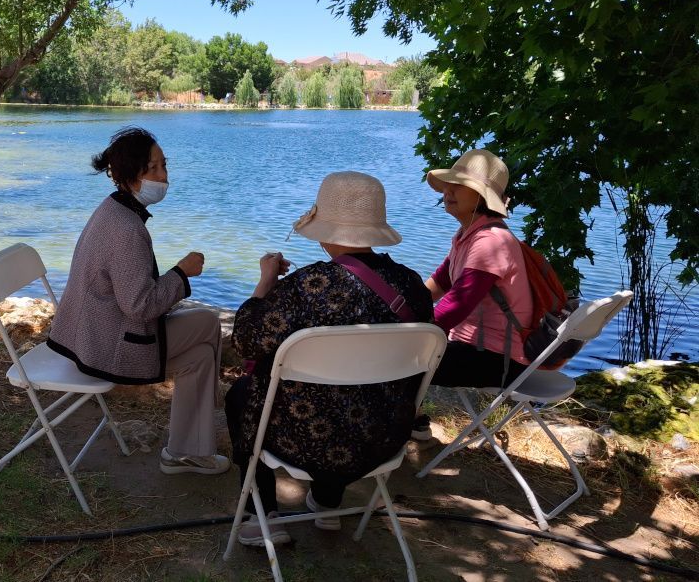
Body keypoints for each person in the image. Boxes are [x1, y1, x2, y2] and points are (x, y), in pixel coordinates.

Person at [225, 172, 433, 547]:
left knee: (242, 393)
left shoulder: (306, 287)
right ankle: (327, 499)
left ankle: (261, 517)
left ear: (325, 229)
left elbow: (246, 340)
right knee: (354, 395)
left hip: (302, 440)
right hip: (381, 437)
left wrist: (265, 282)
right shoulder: (412, 286)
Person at [47, 127, 228, 475]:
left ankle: (187, 450)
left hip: (84, 335)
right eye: (153, 169)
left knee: (202, 354)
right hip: (104, 346)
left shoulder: (111, 209)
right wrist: (182, 273)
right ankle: (198, 437)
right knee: (205, 324)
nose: (164, 176)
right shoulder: (127, 229)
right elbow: (140, 306)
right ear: (131, 175)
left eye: (165, 165)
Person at [417, 148, 534, 438]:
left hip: (498, 361)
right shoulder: (467, 236)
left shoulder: (490, 242)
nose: (449, 191)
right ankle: (409, 422)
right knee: (399, 348)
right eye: (448, 184)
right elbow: (436, 285)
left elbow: (453, 309)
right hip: (480, 352)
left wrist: (402, 330)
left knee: (399, 356)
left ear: (481, 197)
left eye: (460, 186)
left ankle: (406, 425)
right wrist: (393, 309)